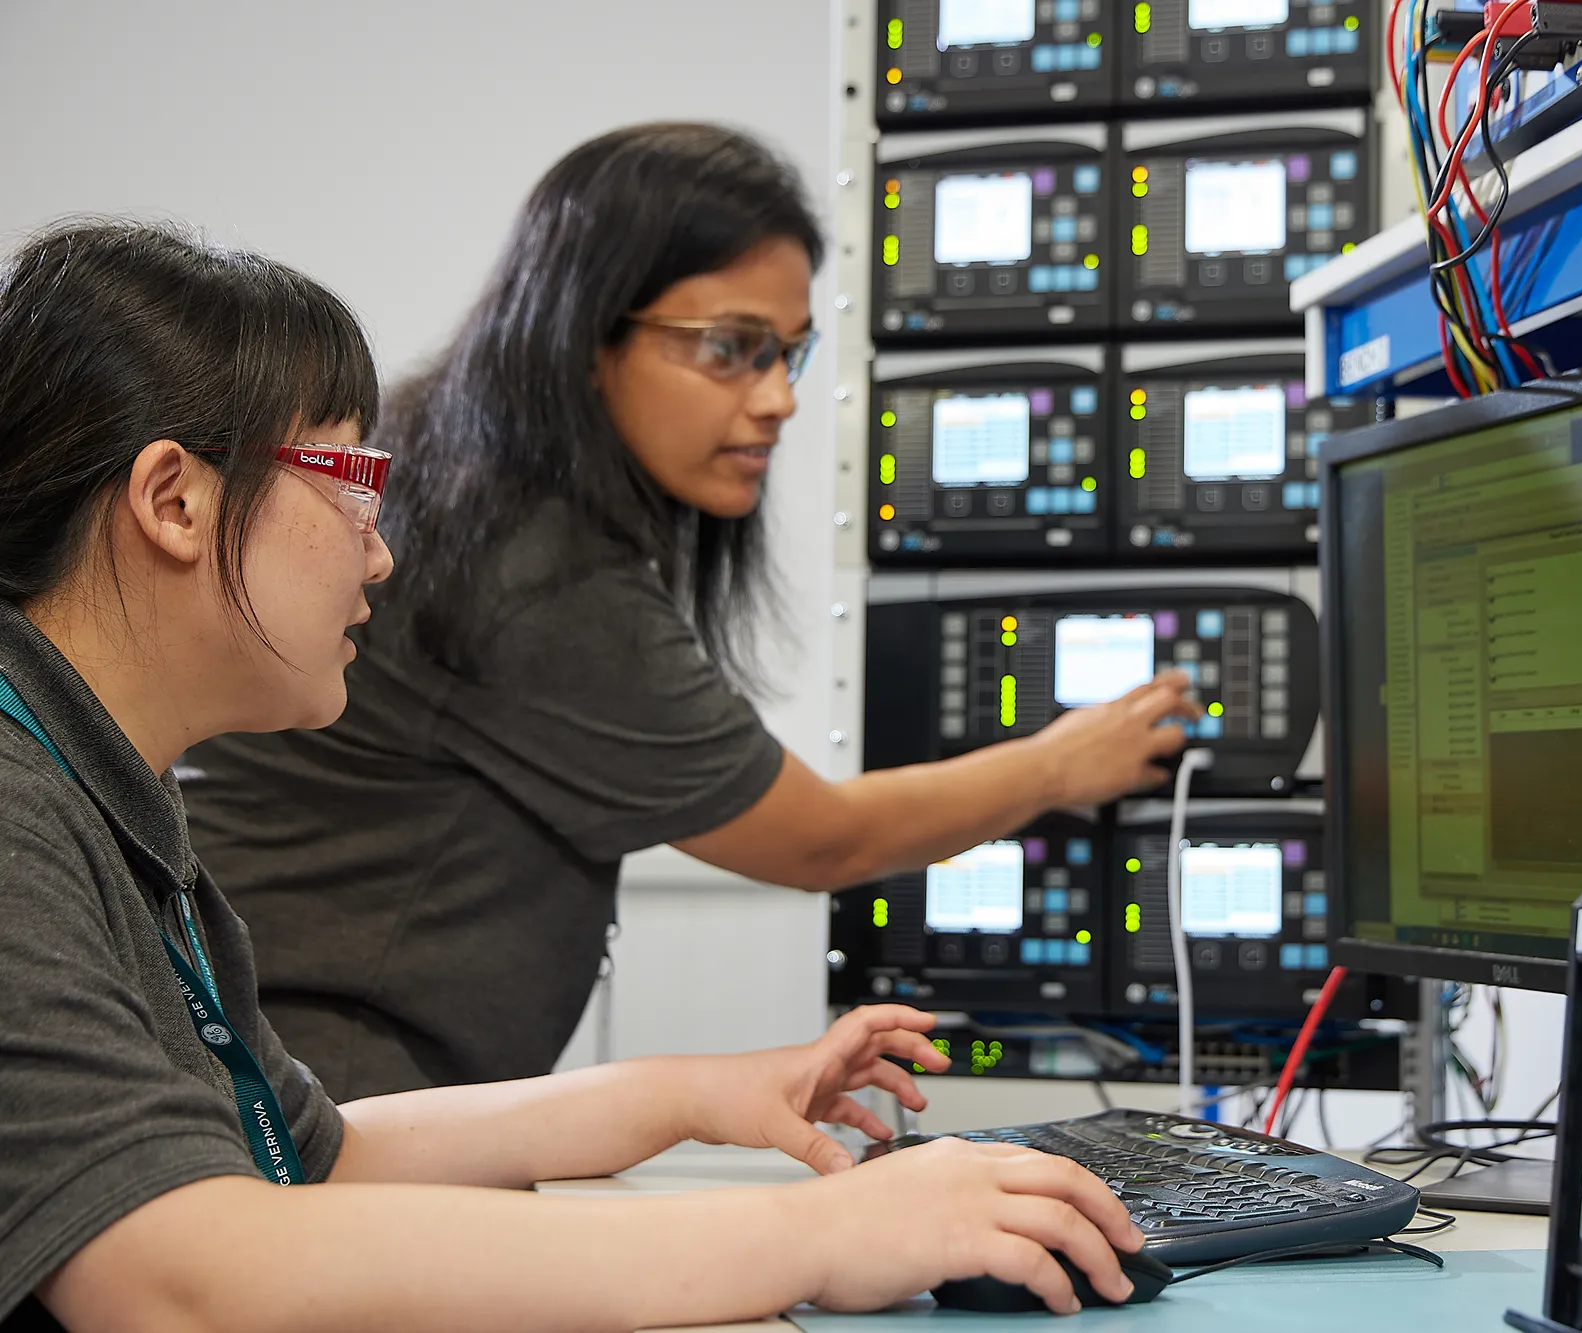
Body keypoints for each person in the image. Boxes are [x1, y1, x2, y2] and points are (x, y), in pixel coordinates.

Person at [0, 219, 1145, 1330]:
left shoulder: (113, 814)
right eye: (348, 480)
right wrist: (821, 1237)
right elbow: (170, 1280)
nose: (380, 547)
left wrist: (691, 1096)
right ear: (174, 500)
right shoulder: (17, 810)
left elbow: (326, 1150)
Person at [179, 121, 1195, 1101]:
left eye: (785, 353)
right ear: (585, 336)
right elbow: (819, 843)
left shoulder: (468, 479)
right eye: (729, 349)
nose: (777, 400)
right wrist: (1063, 763)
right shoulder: (535, 570)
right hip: (329, 1093)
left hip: (328, 1079)